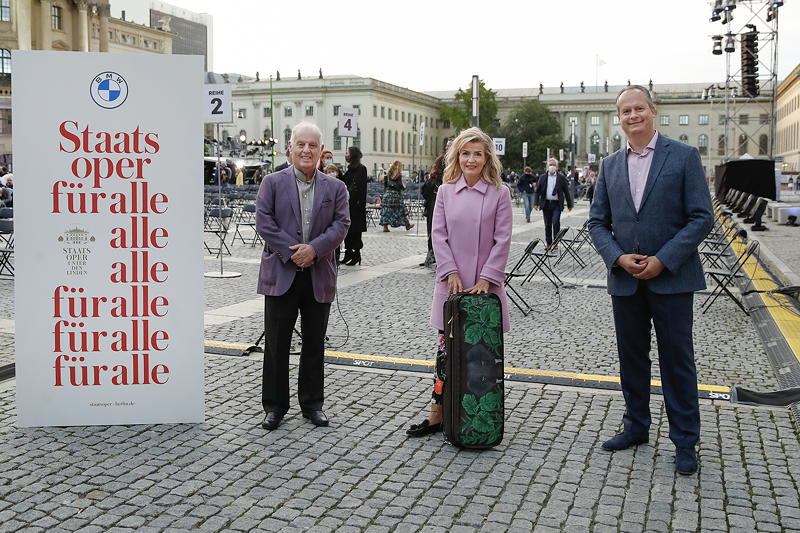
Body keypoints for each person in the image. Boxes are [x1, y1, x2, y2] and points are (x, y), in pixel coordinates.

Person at [588, 85, 714, 475]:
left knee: (677, 362)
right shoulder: (610, 165)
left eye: (638, 108)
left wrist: (664, 259)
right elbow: (597, 222)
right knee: (632, 360)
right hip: (626, 281)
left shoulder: (684, 156)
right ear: (618, 118)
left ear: (652, 111)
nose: (632, 116)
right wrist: (618, 257)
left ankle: (685, 441)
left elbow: (701, 217)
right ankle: (636, 427)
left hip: (671, 279)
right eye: (625, 111)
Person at [407, 127, 512, 437]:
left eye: (477, 153)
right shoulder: (445, 191)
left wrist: (486, 278)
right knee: (444, 353)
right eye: (465, 153)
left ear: (486, 158)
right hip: (451, 285)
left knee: (481, 356)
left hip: (484, 287)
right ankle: (437, 413)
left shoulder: (499, 193)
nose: (471, 159)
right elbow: (438, 235)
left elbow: (503, 239)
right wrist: (450, 271)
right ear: (457, 156)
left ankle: (478, 414)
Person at [255, 122, 351, 431]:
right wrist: (293, 251)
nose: (306, 150)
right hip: (281, 273)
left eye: (312, 146)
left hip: (318, 274)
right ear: (290, 148)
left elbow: (341, 224)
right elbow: (264, 222)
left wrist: (315, 249)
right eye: (301, 145)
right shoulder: (271, 182)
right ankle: (274, 406)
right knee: (276, 344)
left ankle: (312, 404)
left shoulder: (336, 187)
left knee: (314, 344)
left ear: (322, 152)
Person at [535, 159, 573, 249]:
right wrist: (536, 203)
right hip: (546, 203)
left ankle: (556, 242)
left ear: (556, 167)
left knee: (555, 222)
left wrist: (569, 204)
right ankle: (548, 243)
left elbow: (566, 192)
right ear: (548, 166)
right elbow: (538, 191)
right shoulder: (543, 177)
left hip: (556, 204)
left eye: (553, 165)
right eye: (550, 164)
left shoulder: (561, 178)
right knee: (547, 224)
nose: (552, 166)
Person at [341, 146, 368, 266]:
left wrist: (359, 203)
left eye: (348, 153)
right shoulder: (349, 169)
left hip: (356, 207)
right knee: (347, 231)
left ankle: (356, 254)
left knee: (355, 232)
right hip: (347, 205)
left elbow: (360, 188)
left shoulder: (361, 169)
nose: (346, 154)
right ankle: (348, 253)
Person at [420, 154, 445, 267]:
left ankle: (431, 255)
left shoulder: (432, 181)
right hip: (439, 209)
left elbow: (424, 193)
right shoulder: (447, 181)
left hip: (432, 209)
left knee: (432, 232)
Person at [379, 160, 414, 232]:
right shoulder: (398, 175)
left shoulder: (388, 174)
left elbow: (385, 185)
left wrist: (385, 193)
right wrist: (403, 187)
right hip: (395, 195)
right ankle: (407, 225)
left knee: (386, 210)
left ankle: (385, 227)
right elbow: (399, 185)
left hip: (387, 194)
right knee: (400, 210)